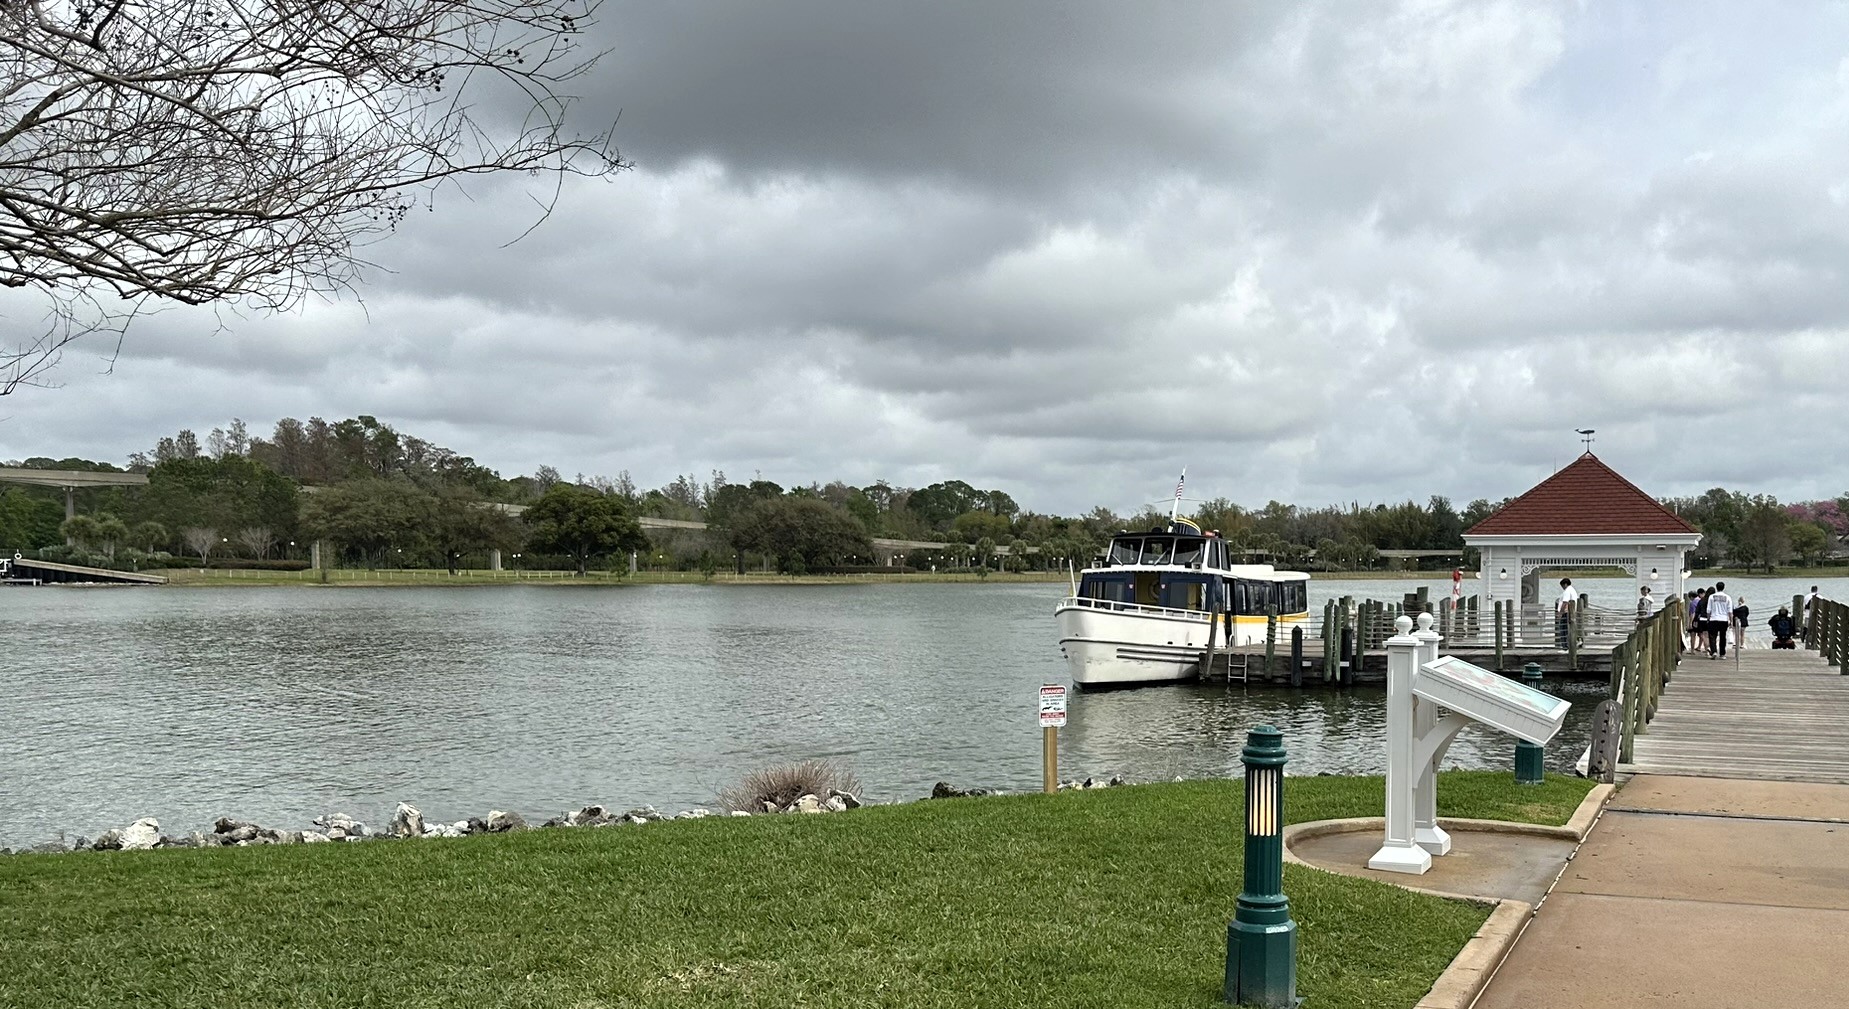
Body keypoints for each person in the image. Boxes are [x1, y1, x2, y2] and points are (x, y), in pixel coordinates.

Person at [1707, 581, 1734, 659]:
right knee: (1723, 636)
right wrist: (1731, 621)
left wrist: (1708, 619)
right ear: (1723, 588)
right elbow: (1730, 611)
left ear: (1716, 587)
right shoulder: (1728, 597)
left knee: (1712, 636)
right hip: (1724, 619)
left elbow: (1708, 610)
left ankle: (1714, 651)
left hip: (1713, 618)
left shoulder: (1711, 597)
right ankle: (1722, 654)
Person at [1556, 577, 1579, 648]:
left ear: (1565, 584)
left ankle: (1565, 646)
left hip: (1566, 613)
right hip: (1571, 612)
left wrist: (1560, 613)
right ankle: (1569, 645)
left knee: (1563, 629)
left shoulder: (1567, 591)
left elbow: (1565, 602)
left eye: (1562, 586)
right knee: (1568, 629)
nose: (1562, 587)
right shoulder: (1573, 590)